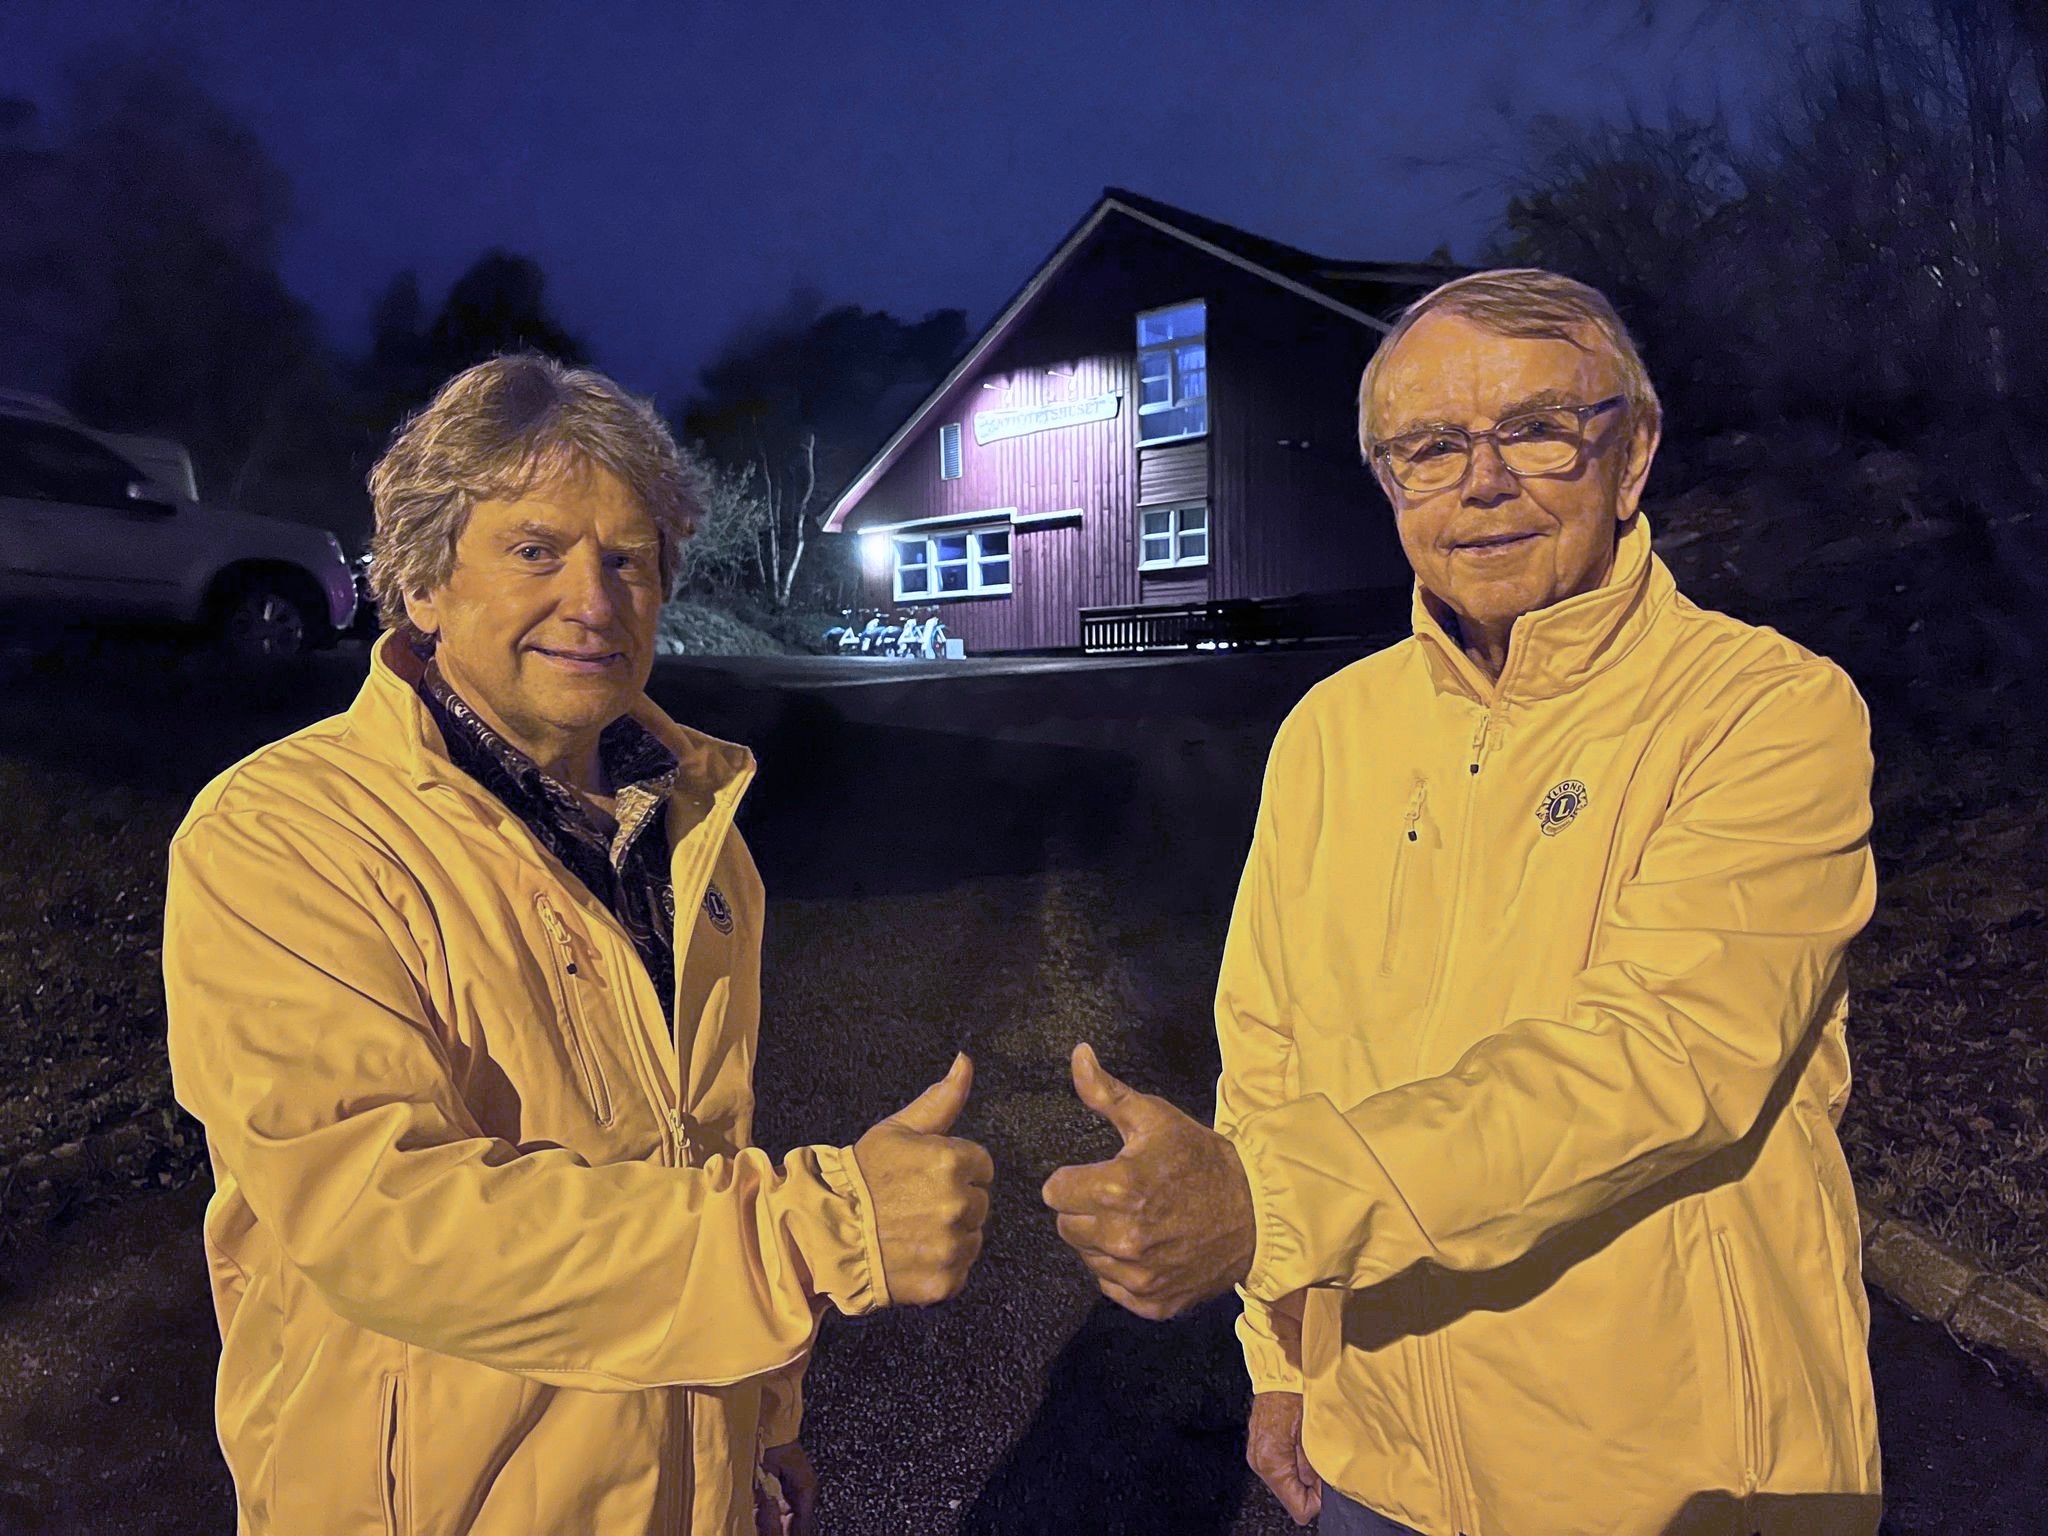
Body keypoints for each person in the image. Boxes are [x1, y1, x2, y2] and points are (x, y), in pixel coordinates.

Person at [1044, 271, 1881, 1535]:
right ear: (1388, 485)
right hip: (1377, 1467)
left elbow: (1665, 1057)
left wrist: (1270, 1205)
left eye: (1538, 430)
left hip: (1677, 1483)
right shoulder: (1332, 730)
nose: (1480, 483)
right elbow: (1269, 1055)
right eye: (1429, 448)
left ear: (1631, 454)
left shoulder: (1763, 711)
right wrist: (1282, 1360)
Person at [164, 354, 994, 1536]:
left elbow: (699, 1150)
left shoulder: (698, 836)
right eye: (535, 550)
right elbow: (386, 1221)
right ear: (423, 583)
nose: (593, 602)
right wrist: (824, 1228)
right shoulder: (286, 834)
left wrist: (760, 1424)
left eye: (627, 560)